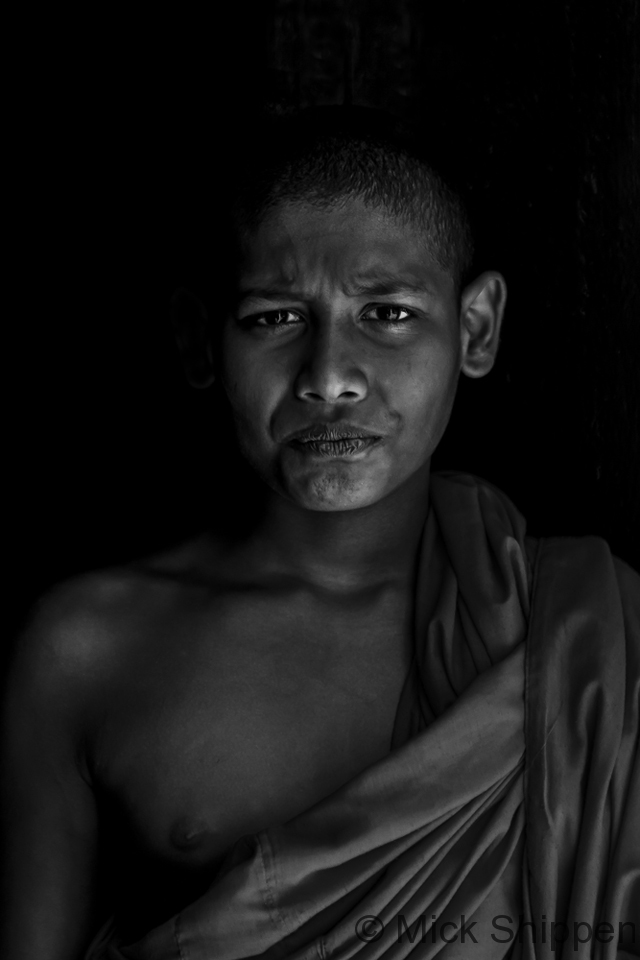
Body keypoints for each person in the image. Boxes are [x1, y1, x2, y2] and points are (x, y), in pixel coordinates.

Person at [1, 107, 638, 960]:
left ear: (476, 329)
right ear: (200, 342)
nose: (330, 376)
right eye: (275, 319)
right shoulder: (88, 647)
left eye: (390, 314)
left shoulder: (584, 640)